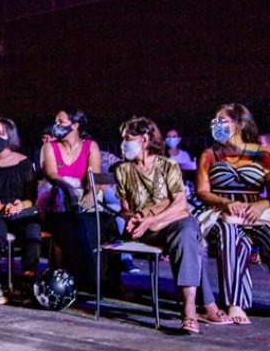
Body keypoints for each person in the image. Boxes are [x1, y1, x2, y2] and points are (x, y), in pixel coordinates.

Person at [115, 116, 231, 333]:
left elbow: (181, 205)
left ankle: (189, 310)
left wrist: (153, 218)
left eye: (128, 138)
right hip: (145, 230)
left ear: (145, 139)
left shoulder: (168, 166)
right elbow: (125, 208)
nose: (123, 144)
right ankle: (206, 306)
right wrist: (136, 217)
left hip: (170, 224)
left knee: (186, 231)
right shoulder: (123, 170)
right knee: (190, 237)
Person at [195, 104, 270, 326]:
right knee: (232, 236)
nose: (215, 125)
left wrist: (259, 206)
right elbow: (202, 192)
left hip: (255, 212)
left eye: (222, 120)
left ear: (239, 124)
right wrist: (227, 203)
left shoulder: (263, 154)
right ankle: (234, 303)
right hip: (220, 211)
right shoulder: (210, 154)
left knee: (261, 238)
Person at [0, 119, 42, 305]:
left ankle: (28, 281)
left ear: (10, 136)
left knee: (33, 230)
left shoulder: (24, 162)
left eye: (1, 133)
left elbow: (31, 198)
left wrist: (20, 205)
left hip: (19, 211)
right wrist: (1, 207)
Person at [40, 110, 103, 288]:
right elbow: (51, 174)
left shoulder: (91, 146)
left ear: (75, 125)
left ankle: (89, 278)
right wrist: (67, 188)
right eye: (56, 122)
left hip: (82, 204)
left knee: (87, 225)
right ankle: (82, 278)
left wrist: (90, 193)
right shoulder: (49, 147)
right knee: (69, 225)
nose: (56, 126)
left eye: (61, 122)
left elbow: (94, 177)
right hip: (57, 204)